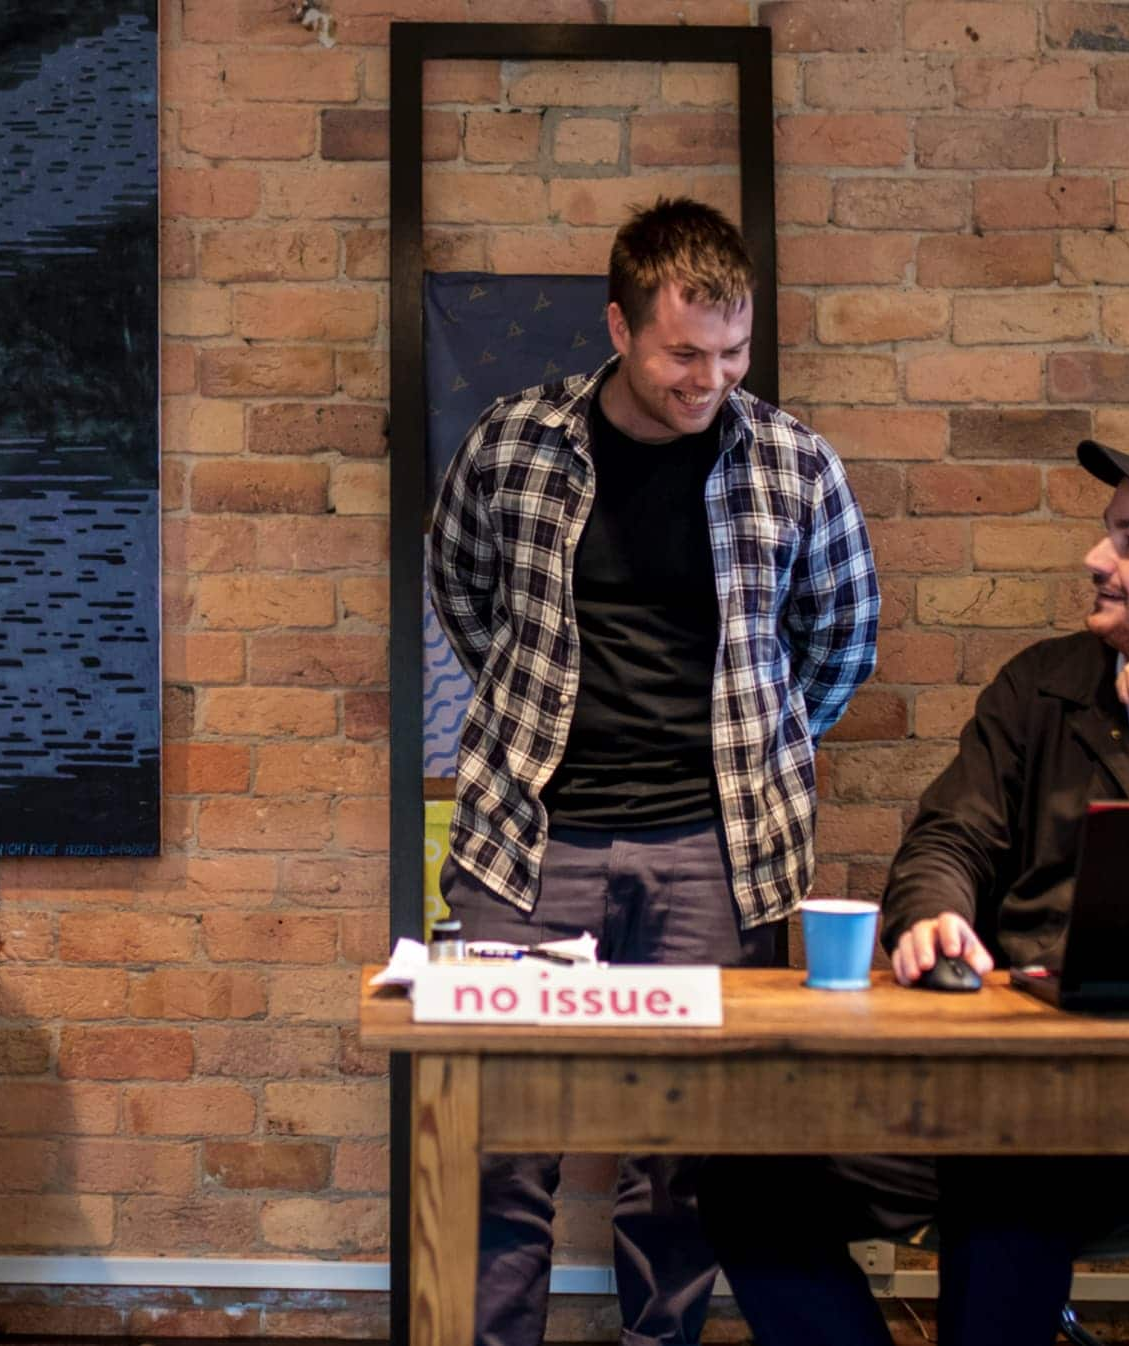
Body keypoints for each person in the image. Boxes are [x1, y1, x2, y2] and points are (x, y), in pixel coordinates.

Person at [698, 436, 1129, 1346]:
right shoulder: (1043, 687)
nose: (1097, 559)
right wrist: (934, 912)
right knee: (740, 1169)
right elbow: (950, 835)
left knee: (1009, 1160)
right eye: (1108, 535)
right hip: (999, 1079)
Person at [427, 197, 880, 1346]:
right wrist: (540, 714)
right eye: (683, 351)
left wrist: (753, 751)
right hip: (528, 847)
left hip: (711, 857)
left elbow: (841, 640)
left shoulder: (792, 463)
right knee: (497, 1148)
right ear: (619, 325)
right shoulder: (512, 441)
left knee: (683, 1165)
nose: (708, 378)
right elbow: (464, 590)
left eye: (731, 352)